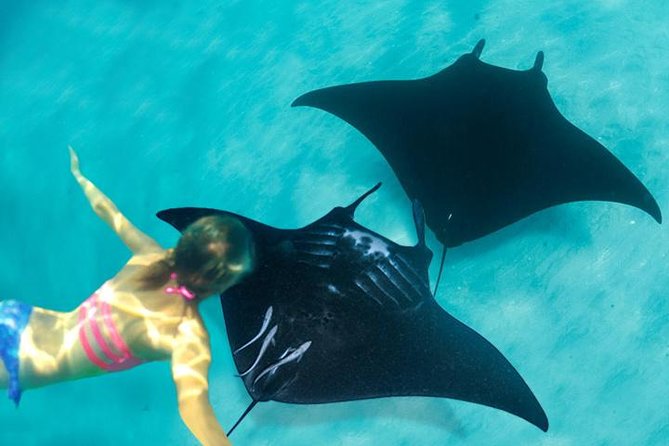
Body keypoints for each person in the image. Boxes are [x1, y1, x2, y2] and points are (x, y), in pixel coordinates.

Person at [0, 147, 254, 446]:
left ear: (186, 242)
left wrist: (79, 177)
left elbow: (110, 213)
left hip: (19, 319)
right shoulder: (187, 335)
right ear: (221, 284)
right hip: (23, 364)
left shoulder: (149, 256)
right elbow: (194, 411)